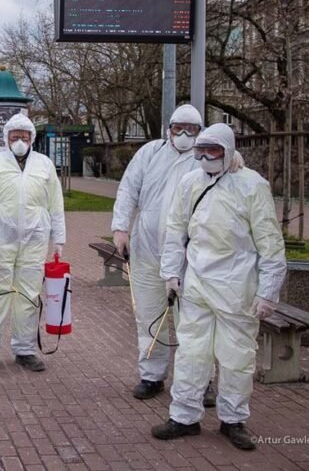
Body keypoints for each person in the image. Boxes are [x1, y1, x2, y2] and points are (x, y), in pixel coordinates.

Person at [152, 123, 286, 450]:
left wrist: (268, 291)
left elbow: (270, 242)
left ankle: (233, 418)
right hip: (197, 282)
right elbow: (175, 230)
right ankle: (183, 416)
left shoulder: (252, 186)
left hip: (237, 287)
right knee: (191, 353)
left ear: (227, 150)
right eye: (202, 150)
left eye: (214, 150)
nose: (206, 156)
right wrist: (171, 273)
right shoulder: (190, 183)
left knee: (236, 356)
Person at [111, 105, 224, 402]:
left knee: (195, 321)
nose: (184, 135)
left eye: (192, 129)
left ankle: (203, 381)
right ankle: (151, 375)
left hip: (190, 258)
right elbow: (128, 189)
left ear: (200, 132)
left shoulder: (204, 160)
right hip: (147, 249)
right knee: (148, 314)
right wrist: (120, 228)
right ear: (169, 128)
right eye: (179, 128)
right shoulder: (150, 153)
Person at [0, 114, 66, 373]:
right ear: (6, 138)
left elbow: (55, 203)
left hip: (34, 240)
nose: (20, 140)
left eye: (24, 136)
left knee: (28, 294)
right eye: (15, 136)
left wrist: (59, 238)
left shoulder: (44, 165)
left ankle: (24, 349)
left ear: (32, 138)